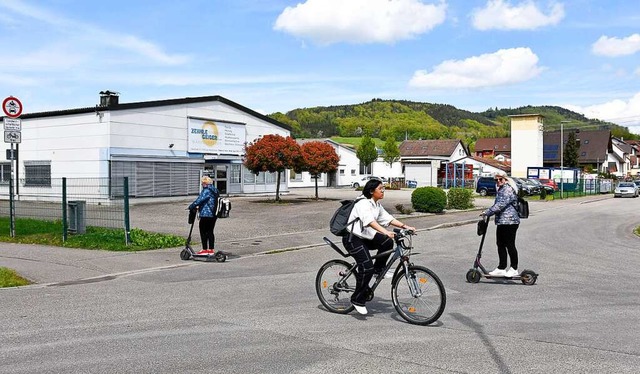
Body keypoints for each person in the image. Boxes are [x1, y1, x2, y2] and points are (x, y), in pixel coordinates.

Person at [342, 179, 416, 315]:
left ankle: (379, 269)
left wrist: (405, 226)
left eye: (383, 188)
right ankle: (357, 299)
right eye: (380, 188)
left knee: (387, 242)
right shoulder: (363, 203)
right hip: (353, 239)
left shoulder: (376, 205)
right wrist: (386, 232)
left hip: (365, 237)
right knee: (366, 267)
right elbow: (369, 221)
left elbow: (388, 219)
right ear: (371, 191)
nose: (383, 190)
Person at [481, 170, 520, 277]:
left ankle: (514, 268)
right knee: (500, 244)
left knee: (510, 244)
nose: (498, 181)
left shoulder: (507, 189)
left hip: (510, 222)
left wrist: (487, 212)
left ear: (505, 179)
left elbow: (500, 205)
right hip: (503, 221)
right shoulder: (501, 189)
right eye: (496, 179)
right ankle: (502, 267)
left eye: (500, 179)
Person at [188, 176, 220, 255]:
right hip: (214, 214)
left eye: (202, 183)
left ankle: (205, 249)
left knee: (203, 230)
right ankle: (211, 250)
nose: (202, 185)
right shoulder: (215, 190)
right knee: (210, 231)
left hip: (206, 214)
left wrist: (191, 206)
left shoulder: (206, 191)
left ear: (205, 183)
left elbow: (199, 200)